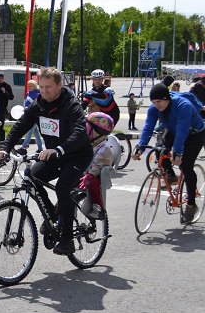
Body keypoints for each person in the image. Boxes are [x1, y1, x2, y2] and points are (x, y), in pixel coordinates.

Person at [0, 67, 93, 255]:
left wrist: (58, 149)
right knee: (31, 176)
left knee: (63, 187)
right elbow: (20, 126)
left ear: (58, 85)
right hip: (53, 155)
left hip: (77, 155)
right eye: (41, 86)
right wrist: (5, 147)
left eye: (48, 87)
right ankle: (52, 214)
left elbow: (79, 132)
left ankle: (67, 240)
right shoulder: (38, 105)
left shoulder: (71, 105)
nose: (44, 91)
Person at [132, 83, 205, 222]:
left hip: (195, 133)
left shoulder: (183, 105)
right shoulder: (154, 108)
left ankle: (191, 204)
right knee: (160, 150)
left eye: (159, 101)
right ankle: (171, 176)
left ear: (167, 98)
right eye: (153, 102)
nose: (156, 105)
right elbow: (148, 127)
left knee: (186, 166)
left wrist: (177, 152)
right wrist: (140, 147)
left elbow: (183, 130)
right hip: (173, 130)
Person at [78, 112, 115, 219]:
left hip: (95, 177)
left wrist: (91, 174)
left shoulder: (105, 149)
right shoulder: (87, 144)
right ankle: (58, 211)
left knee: (91, 182)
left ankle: (97, 207)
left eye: (87, 127)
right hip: (82, 173)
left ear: (96, 132)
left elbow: (101, 164)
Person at [19, 80, 43, 153]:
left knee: (29, 132)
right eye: (28, 86)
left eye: (31, 86)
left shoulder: (37, 94)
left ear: (35, 86)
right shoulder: (30, 93)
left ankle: (23, 147)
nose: (29, 87)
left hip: (34, 115)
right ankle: (40, 148)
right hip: (30, 115)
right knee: (36, 133)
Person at [0, 73, 14, 142]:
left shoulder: (7, 86)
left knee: (1, 124)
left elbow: (11, 97)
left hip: (2, 108)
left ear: (2, 78)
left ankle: (1, 141)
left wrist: (5, 92)